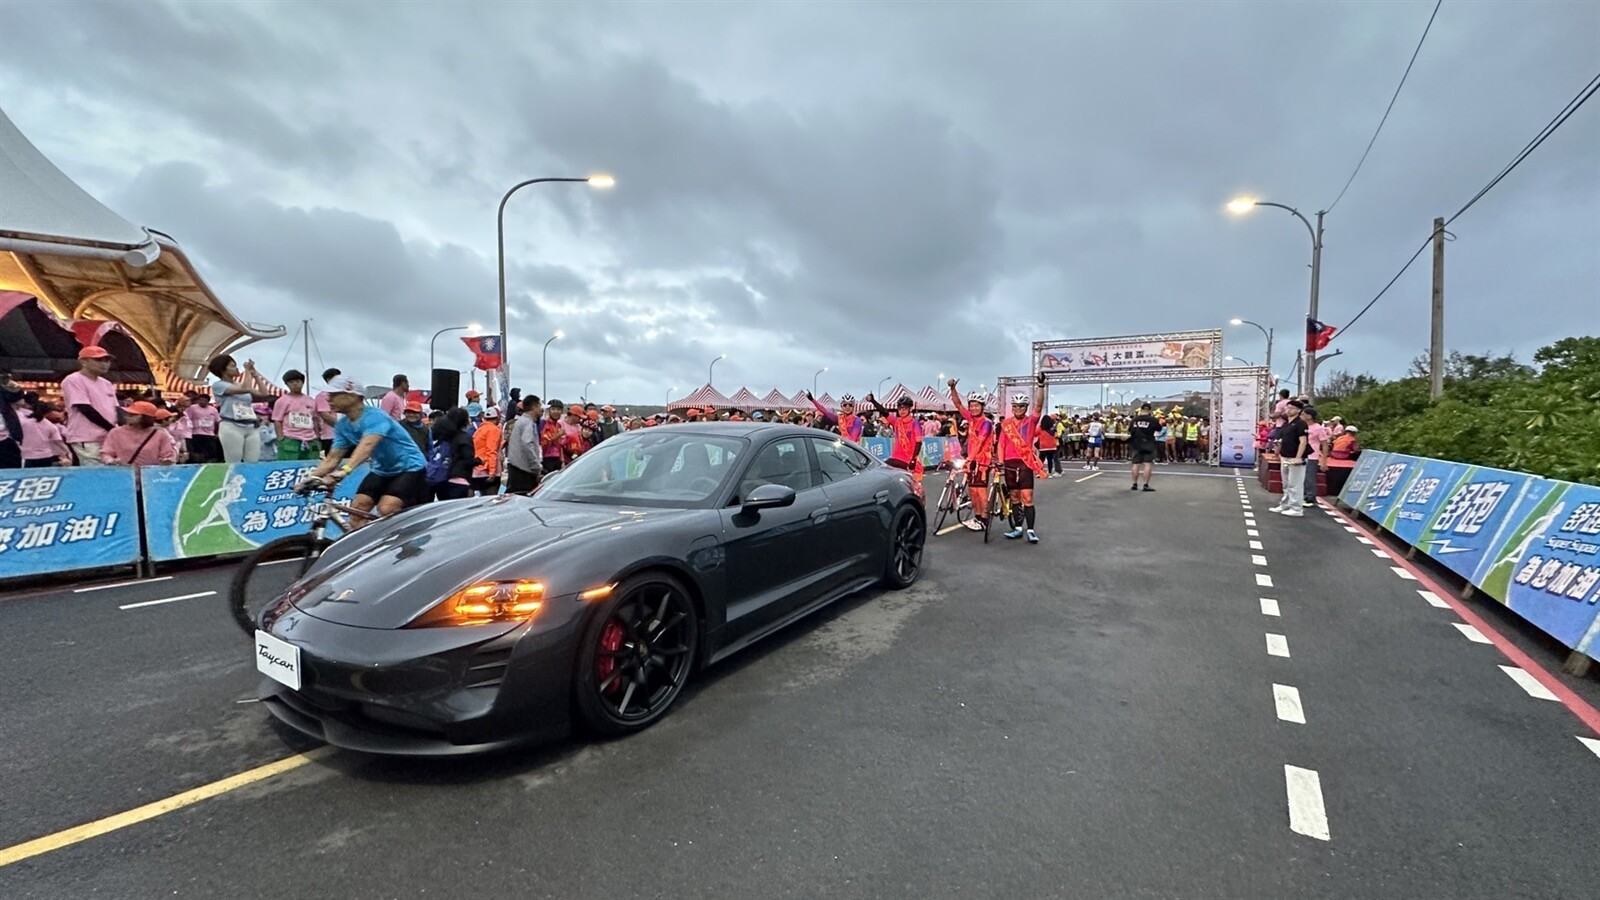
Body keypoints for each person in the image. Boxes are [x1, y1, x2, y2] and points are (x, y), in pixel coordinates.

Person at [302, 376, 428, 528]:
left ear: (353, 396)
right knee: (358, 509)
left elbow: (367, 444)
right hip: (382, 470)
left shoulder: (375, 416)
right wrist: (309, 478)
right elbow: (331, 460)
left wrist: (345, 470)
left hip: (410, 467)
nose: (328, 399)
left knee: (387, 508)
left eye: (334, 395)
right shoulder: (343, 425)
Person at [998, 374, 1048, 543]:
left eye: (1021, 406)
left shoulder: (1031, 422)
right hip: (1009, 463)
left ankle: (1031, 530)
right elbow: (1001, 445)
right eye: (1016, 406)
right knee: (1014, 497)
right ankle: (1018, 528)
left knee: (1027, 497)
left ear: (1025, 407)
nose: (1018, 408)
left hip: (1025, 463)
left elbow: (1039, 405)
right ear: (1012, 408)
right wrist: (999, 461)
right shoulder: (1006, 424)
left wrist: (1041, 386)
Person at [208, 354, 277, 463]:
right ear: (223, 369)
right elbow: (246, 388)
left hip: (250, 425)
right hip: (231, 426)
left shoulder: (239, 384)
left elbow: (264, 393)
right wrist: (247, 371)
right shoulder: (219, 385)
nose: (236, 368)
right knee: (233, 461)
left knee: (252, 461)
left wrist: (255, 375)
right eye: (232, 366)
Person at [61, 346, 120, 466]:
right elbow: (84, 408)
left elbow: (116, 410)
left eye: (107, 360)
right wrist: (111, 428)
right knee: (96, 471)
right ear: (84, 361)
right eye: (98, 360)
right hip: (87, 437)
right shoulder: (73, 379)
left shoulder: (106, 383)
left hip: (108, 437)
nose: (104, 364)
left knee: (111, 470)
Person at [947, 379, 995, 523]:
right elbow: (958, 404)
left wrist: (970, 459)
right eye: (972, 406)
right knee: (973, 491)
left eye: (976, 406)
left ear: (982, 407)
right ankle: (978, 516)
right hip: (971, 461)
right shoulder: (971, 419)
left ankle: (985, 518)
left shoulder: (986, 423)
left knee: (980, 491)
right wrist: (952, 389)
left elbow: (980, 442)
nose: (973, 408)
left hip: (982, 461)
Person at [864, 392, 924, 481]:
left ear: (910, 409)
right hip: (896, 458)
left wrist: (913, 461)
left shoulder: (915, 423)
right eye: (900, 408)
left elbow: (918, 442)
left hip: (909, 461)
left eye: (904, 408)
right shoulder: (897, 422)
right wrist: (873, 401)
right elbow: (884, 412)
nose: (902, 411)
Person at [101, 401, 179, 468]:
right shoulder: (115, 432)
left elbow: (168, 456)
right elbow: (106, 453)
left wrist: (166, 461)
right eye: (128, 414)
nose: (127, 417)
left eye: (132, 415)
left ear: (145, 417)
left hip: (151, 475)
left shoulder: (160, 434)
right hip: (123, 474)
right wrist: (111, 461)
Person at [428, 407, 477, 502]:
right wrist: (479, 461)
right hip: (460, 480)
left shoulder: (444, 436)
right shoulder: (464, 438)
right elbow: (468, 460)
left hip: (443, 479)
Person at [1270, 400, 1308, 517]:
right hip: (1285, 456)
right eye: (1287, 407)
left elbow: (1303, 442)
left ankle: (1296, 508)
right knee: (1286, 483)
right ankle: (1285, 504)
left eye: (1291, 408)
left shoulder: (1301, 424)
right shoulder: (1286, 424)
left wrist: (1298, 457)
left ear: (1298, 410)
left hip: (1295, 458)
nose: (1288, 410)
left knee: (1295, 483)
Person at [505, 395, 545, 493]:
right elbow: (527, 444)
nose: (541, 409)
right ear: (534, 407)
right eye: (540, 406)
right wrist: (536, 466)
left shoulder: (521, 421)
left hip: (516, 468)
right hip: (523, 472)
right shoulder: (527, 423)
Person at [17, 396, 72, 467]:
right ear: (47, 412)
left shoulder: (23, 422)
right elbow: (59, 442)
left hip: (27, 456)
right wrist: (68, 452)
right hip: (46, 456)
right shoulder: (51, 426)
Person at [471, 406, 503, 494]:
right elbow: (491, 450)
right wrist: (492, 472)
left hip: (478, 470)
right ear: (497, 418)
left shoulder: (479, 430)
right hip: (488, 471)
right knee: (490, 501)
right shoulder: (494, 430)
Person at [1128, 402, 1159, 491]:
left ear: (1141, 410)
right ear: (1149, 410)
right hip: (1148, 443)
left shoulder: (1134, 420)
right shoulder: (1153, 420)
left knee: (1136, 464)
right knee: (1147, 464)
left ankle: (1134, 484)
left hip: (1136, 444)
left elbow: (1130, 430)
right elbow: (1159, 428)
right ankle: (1145, 485)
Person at [185, 391, 222, 462]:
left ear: (208, 401)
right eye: (200, 400)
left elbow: (218, 421)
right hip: (196, 433)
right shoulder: (193, 408)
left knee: (212, 452)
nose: (202, 402)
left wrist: (218, 432)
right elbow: (187, 418)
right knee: (198, 451)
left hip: (209, 434)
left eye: (204, 400)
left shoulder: (213, 410)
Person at [1037, 408, 1061, 478]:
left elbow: (1035, 434)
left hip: (1043, 447)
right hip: (1052, 446)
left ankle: (1040, 472)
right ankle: (1050, 473)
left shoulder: (1040, 428)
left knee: (1041, 460)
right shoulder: (1053, 428)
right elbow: (1056, 435)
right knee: (1050, 460)